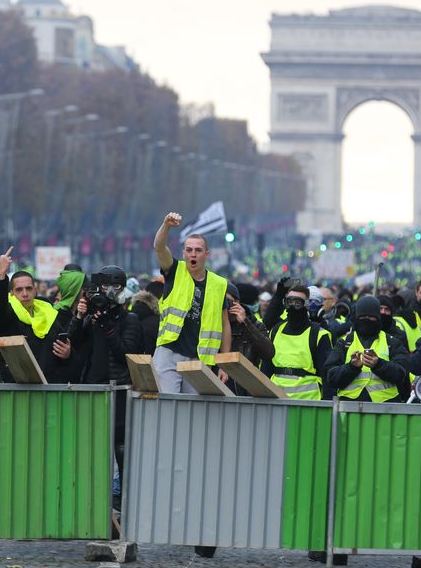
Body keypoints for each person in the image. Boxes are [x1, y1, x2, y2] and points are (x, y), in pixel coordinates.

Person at [70, 265, 143, 503]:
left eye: (116, 286)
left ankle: (124, 501)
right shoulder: (91, 316)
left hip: (118, 388)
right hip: (92, 387)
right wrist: (80, 317)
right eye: (105, 286)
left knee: (120, 447)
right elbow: (72, 344)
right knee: (92, 449)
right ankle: (91, 501)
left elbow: (127, 353)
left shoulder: (129, 318)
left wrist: (108, 326)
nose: (110, 291)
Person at [151, 213, 231, 393]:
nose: (193, 254)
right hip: (169, 353)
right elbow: (159, 247)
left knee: (192, 413)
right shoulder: (174, 270)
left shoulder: (219, 284)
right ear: (183, 253)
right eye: (189, 250)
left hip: (199, 359)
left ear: (206, 254)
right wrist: (166, 225)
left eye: (198, 250)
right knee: (167, 407)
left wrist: (224, 363)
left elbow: (225, 325)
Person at [0, 248, 71, 383]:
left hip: (47, 389)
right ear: (12, 293)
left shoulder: (48, 312)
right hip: (15, 390)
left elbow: (62, 352)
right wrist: (0, 277)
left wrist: (68, 354)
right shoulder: (8, 313)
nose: (25, 293)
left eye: (28, 288)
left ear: (35, 290)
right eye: (19, 289)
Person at [324, 295, 410, 403]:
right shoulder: (345, 343)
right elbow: (331, 376)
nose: (367, 321)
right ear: (356, 319)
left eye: (371, 318)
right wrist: (351, 367)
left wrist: (379, 364)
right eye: (362, 318)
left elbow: (401, 374)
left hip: (385, 408)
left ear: (378, 319)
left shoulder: (392, 342)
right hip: (350, 408)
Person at [261, 283, 332, 399]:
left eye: (298, 302)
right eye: (290, 302)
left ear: (307, 305)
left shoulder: (320, 335)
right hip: (276, 399)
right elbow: (266, 368)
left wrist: (328, 406)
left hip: (308, 402)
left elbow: (327, 375)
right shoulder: (276, 330)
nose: (293, 306)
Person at [223, 282, 275, 395]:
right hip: (219, 388)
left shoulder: (254, 325)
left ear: (236, 303)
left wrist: (245, 323)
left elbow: (269, 353)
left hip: (245, 391)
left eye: (226, 301)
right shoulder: (213, 325)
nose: (223, 306)